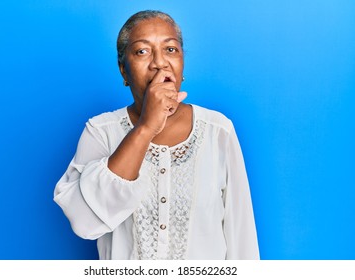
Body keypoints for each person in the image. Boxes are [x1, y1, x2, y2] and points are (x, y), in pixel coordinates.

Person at [54, 10, 259, 260]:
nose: (159, 62)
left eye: (171, 49)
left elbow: (242, 239)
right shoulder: (101, 132)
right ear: (123, 71)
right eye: (142, 51)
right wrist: (146, 127)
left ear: (182, 64)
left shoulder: (218, 130)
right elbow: (84, 223)